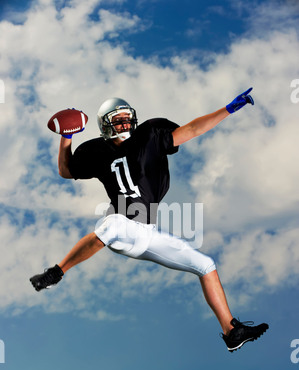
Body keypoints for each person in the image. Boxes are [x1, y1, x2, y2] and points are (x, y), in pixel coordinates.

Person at [30, 89, 269, 352]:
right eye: (117, 119)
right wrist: (66, 137)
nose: (123, 123)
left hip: (145, 232)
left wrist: (227, 110)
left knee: (205, 265)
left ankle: (231, 331)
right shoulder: (95, 150)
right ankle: (55, 273)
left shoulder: (150, 135)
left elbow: (192, 129)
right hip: (120, 224)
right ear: (105, 125)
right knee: (114, 224)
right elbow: (66, 170)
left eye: (126, 118)